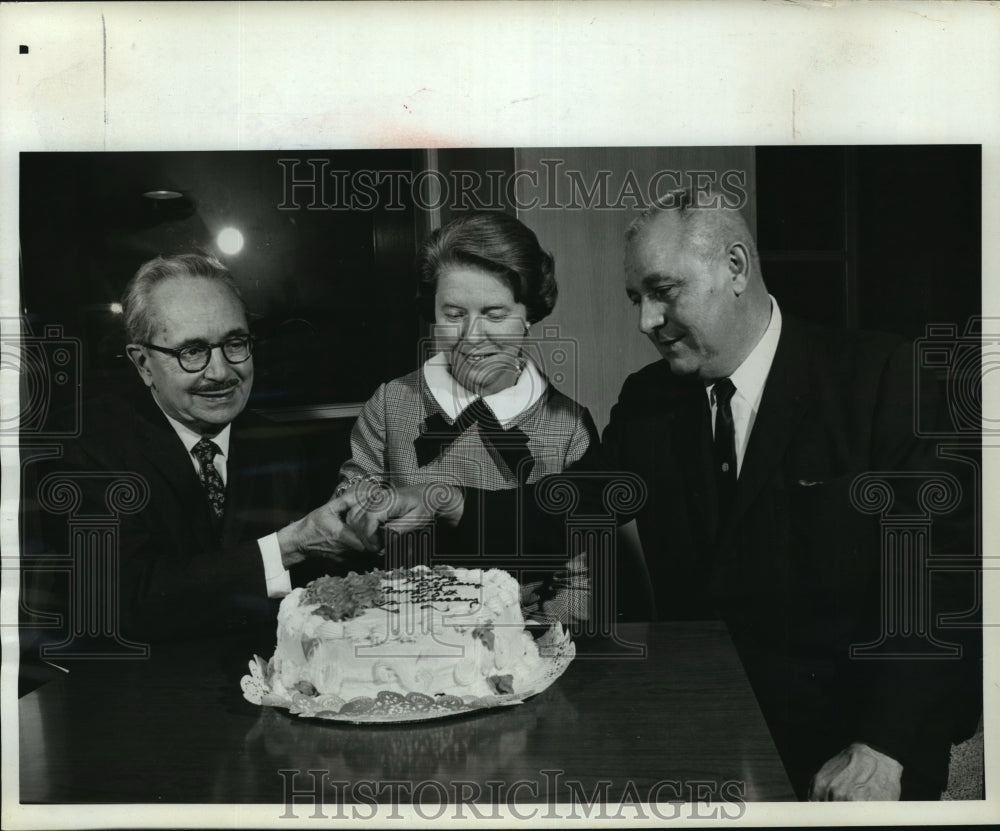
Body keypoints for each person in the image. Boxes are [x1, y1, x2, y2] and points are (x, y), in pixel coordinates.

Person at [343, 194, 979, 801]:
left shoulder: (887, 378)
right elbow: (562, 511)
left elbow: (944, 592)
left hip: (850, 747)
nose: (646, 321)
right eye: (635, 298)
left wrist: (884, 747)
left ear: (735, 267)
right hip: (704, 733)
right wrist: (449, 504)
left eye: (662, 292)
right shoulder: (650, 401)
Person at [24, 254, 374, 645]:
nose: (222, 372)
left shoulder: (279, 445)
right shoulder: (84, 448)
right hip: (135, 694)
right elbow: (126, 603)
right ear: (142, 363)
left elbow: (308, 594)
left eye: (235, 343)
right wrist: (287, 547)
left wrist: (367, 523)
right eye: (192, 351)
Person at [337, 211, 598, 623]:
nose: (472, 337)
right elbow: (347, 505)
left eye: (495, 314)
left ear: (529, 313)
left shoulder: (569, 427)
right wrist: (365, 504)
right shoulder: (390, 403)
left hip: (520, 641)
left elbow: (578, 583)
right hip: (405, 629)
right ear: (432, 311)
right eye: (454, 314)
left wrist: (530, 651)